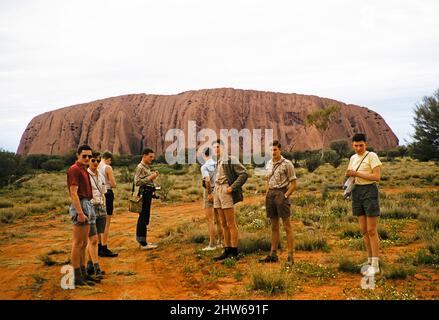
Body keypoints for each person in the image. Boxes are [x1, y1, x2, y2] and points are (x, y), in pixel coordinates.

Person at [345, 133, 383, 275]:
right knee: (363, 230)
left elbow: (377, 177)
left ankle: (375, 263)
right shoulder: (353, 158)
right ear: (352, 145)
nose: (358, 148)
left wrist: (356, 174)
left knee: (372, 230)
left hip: (370, 191)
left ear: (366, 144)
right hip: (357, 192)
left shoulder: (371, 156)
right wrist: (349, 175)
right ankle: (369, 260)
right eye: (356, 145)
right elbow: (351, 174)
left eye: (361, 145)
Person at [260, 140, 297, 265]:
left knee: (287, 226)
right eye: (271, 150)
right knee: (274, 226)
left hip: (282, 193)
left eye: (275, 150)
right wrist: (267, 193)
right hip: (270, 194)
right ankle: (273, 254)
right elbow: (267, 180)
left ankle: (290, 257)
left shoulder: (287, 164)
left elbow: (294, 184)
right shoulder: (268, 163)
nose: (273, 152)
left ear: (280, 150)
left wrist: (285, 195)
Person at [67, 144, 99, 287]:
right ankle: (76, 277)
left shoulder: (84, 170)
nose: (87, 158)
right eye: (84, 156)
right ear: (77, 155)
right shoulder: (74, 170)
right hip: (80, 205)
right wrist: (80, 212)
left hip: (87, 204)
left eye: (89, 156)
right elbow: (73, 192)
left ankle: (83, 273)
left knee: (84, 243)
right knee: (78, 243)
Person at [212, 139, 248, 261]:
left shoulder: (230, 159)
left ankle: (234, 251)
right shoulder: (218, 161)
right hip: (217, 191)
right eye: (214, 148)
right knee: (222, 223)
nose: (216, 150)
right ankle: (227, 250)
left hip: (225, 190)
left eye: (218, 147)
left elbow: (243, 173)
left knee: (230, 223)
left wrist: (232, 188)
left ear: (223, 148)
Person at [86, 152, 107, 279]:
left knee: (96, 238)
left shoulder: (101, 176)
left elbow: (103, 192)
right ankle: (96, 267)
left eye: (98, 161)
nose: (96, 163)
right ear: (89, 161)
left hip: (101, 207)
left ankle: (89, 264)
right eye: (93, 160)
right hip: (91, 208)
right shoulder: (86, 175)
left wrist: (104, 204)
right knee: (93, 239)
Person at [134, 148, 159, 250]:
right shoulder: (140, 167)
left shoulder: (145, 167)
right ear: (144, 156)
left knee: (144, 217)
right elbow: (137, 182)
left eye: (153, 157)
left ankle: (142, 241)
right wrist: (151, 177)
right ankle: (143, 243)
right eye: (150, 156)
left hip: (147, 194)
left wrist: (151, 175)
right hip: (144, 194)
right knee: (143, 217)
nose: (152, 159)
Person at [200, 147, 224, 251]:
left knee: (210, 220)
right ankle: (221, 242)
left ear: (203, 154)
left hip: (209, 191)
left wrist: (209, 193)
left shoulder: (204, 167)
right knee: (218, 219)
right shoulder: (216, 164)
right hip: (218, 191)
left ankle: (212, 244)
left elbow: (207, 181)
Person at [98, 151, 118, 257]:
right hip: (107, 193)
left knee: (99, 222)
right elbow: (113, 184)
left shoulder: (95, 166)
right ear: (108, 159)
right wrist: (112, 183)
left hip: (97, 194)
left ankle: (98, 247)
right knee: (106, 223)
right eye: (110, 160)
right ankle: (104, 248)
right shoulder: (107, 167)